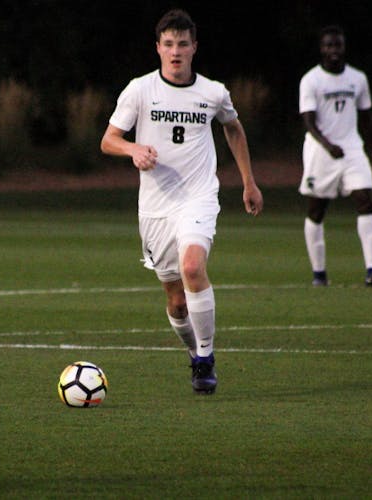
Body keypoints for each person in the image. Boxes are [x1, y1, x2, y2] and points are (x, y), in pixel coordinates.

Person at [101, 9, 263, 395]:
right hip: (156, 207)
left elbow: (233, 129)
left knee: (194, 267)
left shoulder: (212, 92)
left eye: (183, 44)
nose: (176, 52)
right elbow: (108, 140)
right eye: (169, 44)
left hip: (199, 197)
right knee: (176, 302)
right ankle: (195, 353)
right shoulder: (140, 90)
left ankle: (206, 359)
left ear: (195, 48)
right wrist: (132, 149)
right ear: (158, 48)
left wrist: (248, 182)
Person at [299, 25, 372, 287]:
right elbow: (309, 122)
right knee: (316, 210)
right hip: (321, 152)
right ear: (322, 49)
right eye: (329, 45)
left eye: (338, 45)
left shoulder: (357, 78)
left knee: (366, 200)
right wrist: (328, 145)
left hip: (352, 149)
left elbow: (368, 120)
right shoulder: (311, 80)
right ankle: (319, 274)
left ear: (344, 48)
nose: (333, 50)